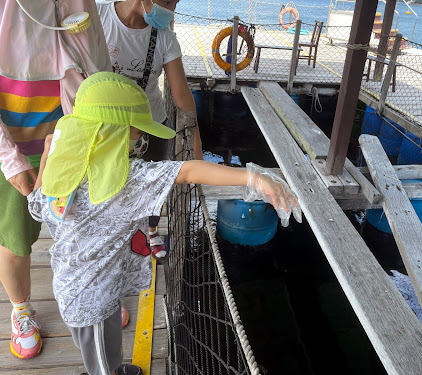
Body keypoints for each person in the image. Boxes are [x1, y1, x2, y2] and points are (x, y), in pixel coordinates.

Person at [27, 72, 301, 375]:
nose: (140, 142)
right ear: (113, 136)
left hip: (77, 288)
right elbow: (187, 171)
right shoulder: (129, 181)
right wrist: (253, 178)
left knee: (105, 349)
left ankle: (113, 367)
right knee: (101, 362)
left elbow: (36, 206)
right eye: (134, 135)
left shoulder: (64, 175)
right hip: (90, 304)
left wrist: (47, 158)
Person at [0, 0, 117, 359]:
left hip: (75, 137)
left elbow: (97, 63)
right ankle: (21, 310)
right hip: (14, 143)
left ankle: (95, 300)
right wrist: (10, 160)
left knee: (88, 229)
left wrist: (109, 134)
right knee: (15, 239)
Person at [97, 0, 204, 262]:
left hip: (151, 125)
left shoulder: (165, 37)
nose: (171, 9)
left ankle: (151, 229)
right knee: (107, 188)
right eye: (167, 1)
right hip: (105, 128)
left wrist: (196, 139)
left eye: (175, 3)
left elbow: (182, 96)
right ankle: (114, 239)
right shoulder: (97, 15)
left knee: (153, 185)